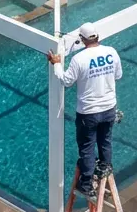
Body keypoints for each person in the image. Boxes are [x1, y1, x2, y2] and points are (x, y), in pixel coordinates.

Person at [47, 23, 122, 197]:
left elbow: (66, 81)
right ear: (97, 36)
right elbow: (118, 76)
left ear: (81, 40)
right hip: (109, 107)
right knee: (105, 141)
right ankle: (104, 167)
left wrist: (56, 64)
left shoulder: (79, 59)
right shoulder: (112, 52)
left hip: (89, 111)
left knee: (87, 147)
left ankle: (86, 183)